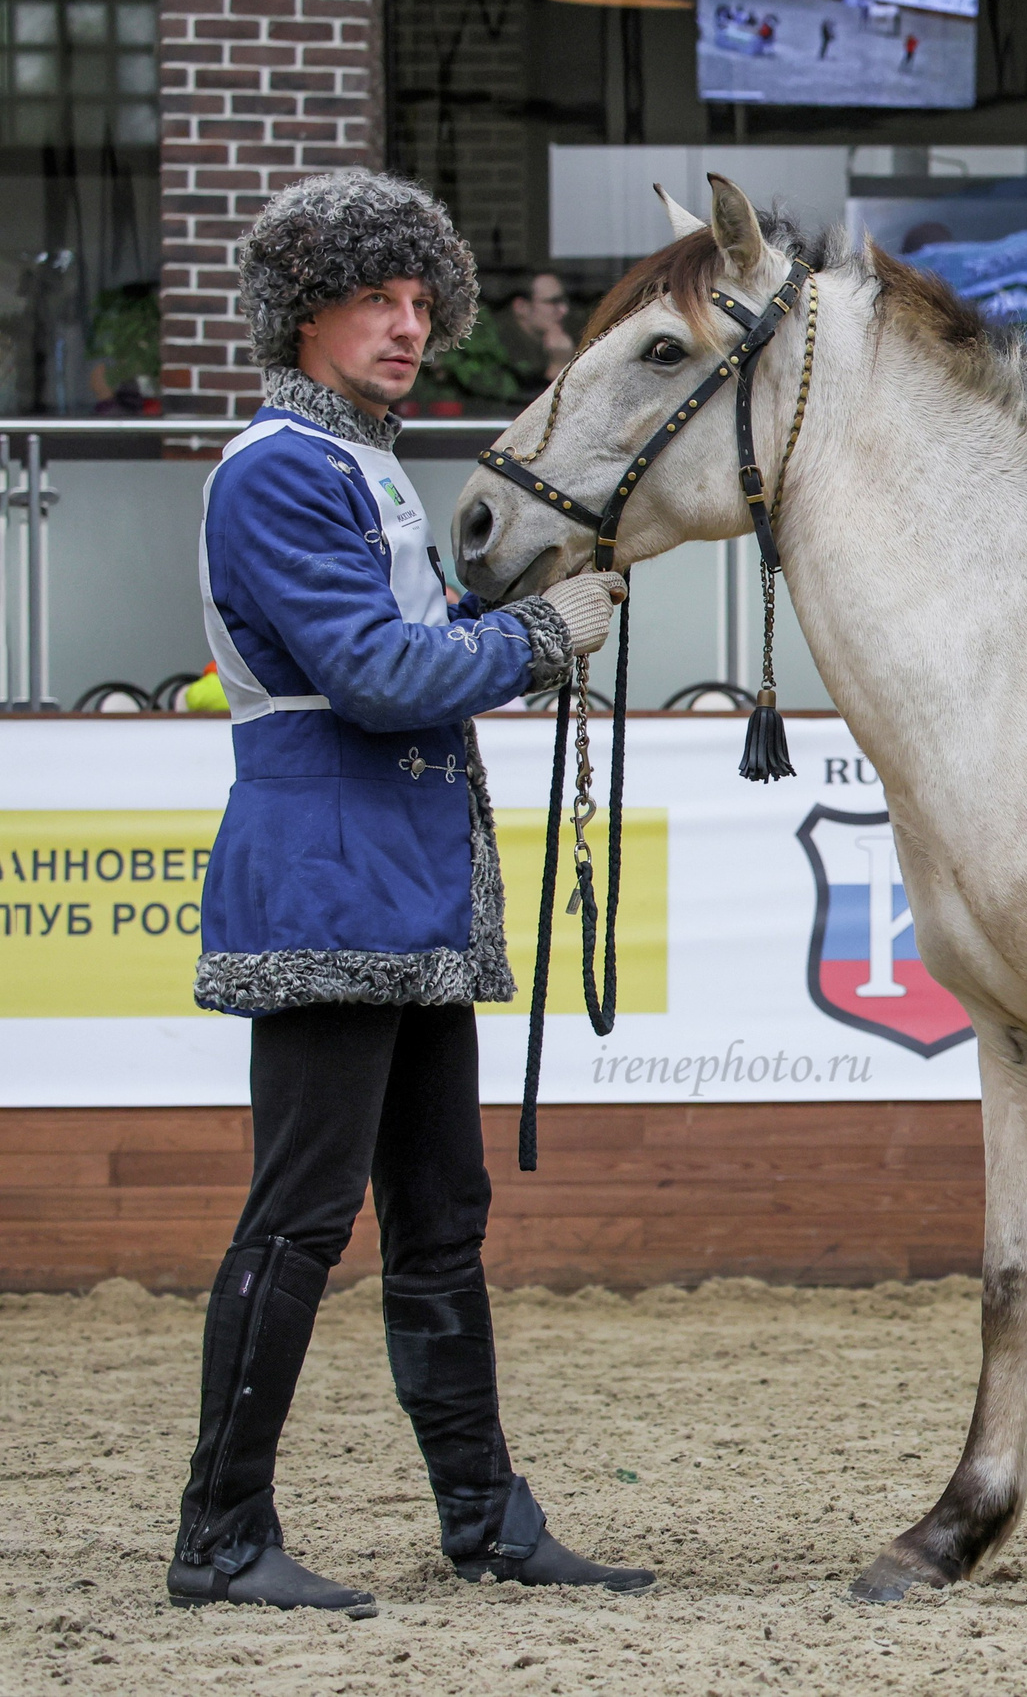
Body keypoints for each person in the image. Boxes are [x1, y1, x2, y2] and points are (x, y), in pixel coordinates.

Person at [173, 170, 651, 1618]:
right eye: (377, 298)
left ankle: (485, 1516)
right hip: (329, 884)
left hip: (405, 889)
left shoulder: (365, 463)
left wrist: (516, 621)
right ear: (304, 310)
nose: (408, 323)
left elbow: (420, 647)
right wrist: (542, 643)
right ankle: (218, 1531)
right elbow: (380, 680)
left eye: (418, 297)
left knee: (442, 1212)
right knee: (299, 1220)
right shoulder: (275, 468)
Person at [490, 271, 574, 391]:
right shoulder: (497, 351)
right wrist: (558, 366)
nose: (564, 310)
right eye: (553, 302)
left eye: (564, 301)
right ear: (521, 307)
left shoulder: (548, 342)